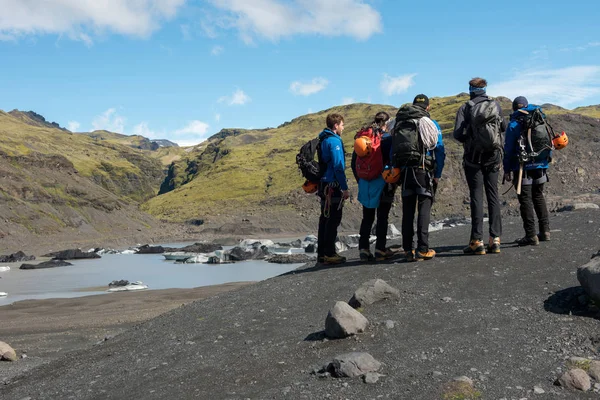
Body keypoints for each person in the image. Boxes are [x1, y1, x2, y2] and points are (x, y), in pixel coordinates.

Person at [453, 77, 506, 255]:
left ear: (470, 88)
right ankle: (495, 239)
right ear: (485, 89)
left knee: (476, 196)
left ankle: (477, 241)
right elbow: (503, 126)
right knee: (493, 195)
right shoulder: (495, 105)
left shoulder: (466, 107)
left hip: (473, 158)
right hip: (493, 156)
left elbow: (458, 134)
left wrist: (470, 134)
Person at [395, 94, 445, 261]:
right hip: (423, 170)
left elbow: (392, 151)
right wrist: (437, 174)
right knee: (424, 209)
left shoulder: (400, 123)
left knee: (407, 212)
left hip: (405, 172)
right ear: (428, 107)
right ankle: (422, 249)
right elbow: (439, 149)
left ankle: (408, 250)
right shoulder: (429, 123)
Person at [503, 96, 551, 246]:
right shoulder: (539, 118)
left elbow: (509, 149)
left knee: (525, 200)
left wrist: (507, 169)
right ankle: (545, 231)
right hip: (541, 165)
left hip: (522, 167)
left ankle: (531, 235)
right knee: (538, 196)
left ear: (514, 108)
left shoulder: (514, 124)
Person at [351, 111, 397, 262]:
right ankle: (380, 249)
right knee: (382, 217)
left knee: (367, 217)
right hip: (383, 182)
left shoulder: (363, 139)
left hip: (365, 183)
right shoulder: (387, 139)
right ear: (387, 122)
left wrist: (361, 180)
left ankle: (363, 249)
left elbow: (353, 163)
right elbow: (392, 160)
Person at [317, 113, 350, 265]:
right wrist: (344, 188)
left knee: (324, 219)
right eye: (342, 125)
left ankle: (322, 254)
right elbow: (338, 166)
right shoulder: (334, 141)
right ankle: (329, 253)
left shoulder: (323, 139)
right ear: (336, 126)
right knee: (333, 219)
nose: (343, 128)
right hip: (333, 186)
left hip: (324, 185)